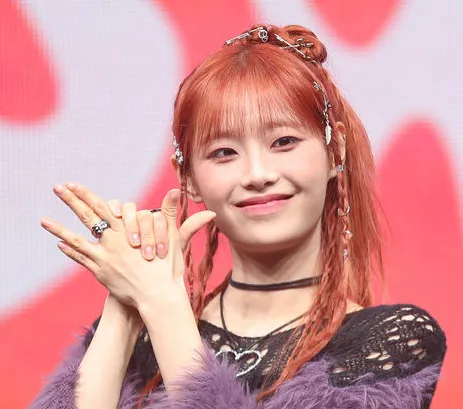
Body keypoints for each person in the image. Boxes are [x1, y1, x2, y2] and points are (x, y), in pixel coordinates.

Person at [30, 24, 446, 409]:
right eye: (224, 152)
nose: (257, 175)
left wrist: (162, 305)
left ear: (335, 151)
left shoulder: (393, 341)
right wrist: (125, 306)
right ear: (189, 179)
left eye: (284, 141)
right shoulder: (145, 331)